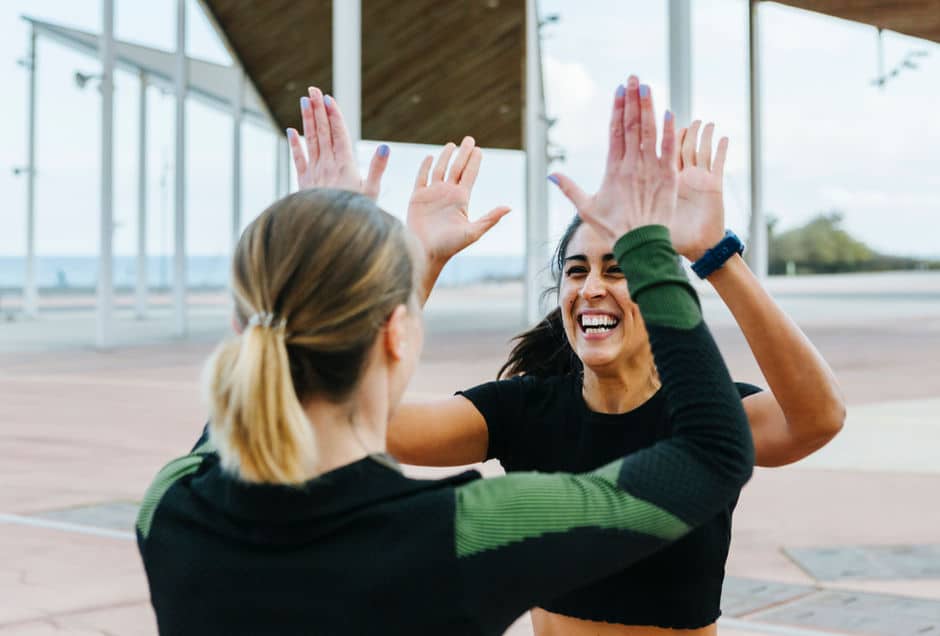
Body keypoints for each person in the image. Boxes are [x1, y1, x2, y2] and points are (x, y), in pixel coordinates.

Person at [136, 82, 755, 635]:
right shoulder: (464, 530)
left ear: (243, 327)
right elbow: (713, 455)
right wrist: (645, 243)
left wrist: (325, 244)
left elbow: (239, 413)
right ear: (396, 335)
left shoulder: (168, 505)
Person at [378, 80, 846, 634]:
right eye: (578, 270)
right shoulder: (523, 412)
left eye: (619, 268)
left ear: (656, 287)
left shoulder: (706, 419)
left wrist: (713, 255)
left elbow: (818, 418)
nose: (593, 286)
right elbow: (364, 420)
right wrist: (419, 263)